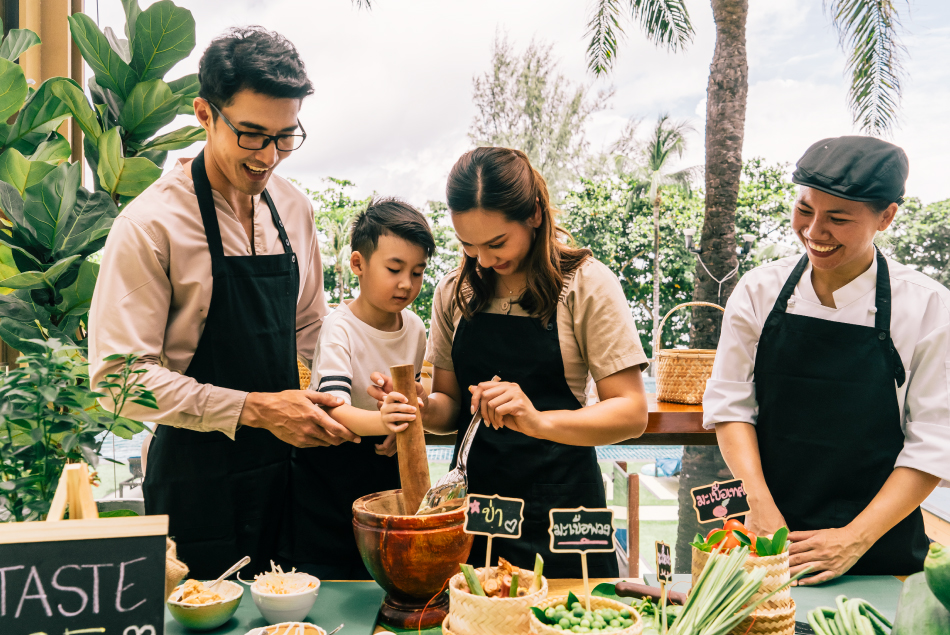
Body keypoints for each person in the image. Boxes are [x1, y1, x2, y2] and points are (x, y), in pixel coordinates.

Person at [88, 27, 359, 579]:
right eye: (253, 135)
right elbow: (118, 379)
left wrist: (354, 382)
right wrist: (256, 409)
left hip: (290, 479)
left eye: (286, 137)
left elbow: (312, 326)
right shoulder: (149, 225)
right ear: (205, 115)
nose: (269, 157)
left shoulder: (294, 208)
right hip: (198, 485)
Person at [373, 147, 649, 578]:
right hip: (478, 507)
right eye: (468, 244)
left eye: (496, 243)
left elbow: (631, 413)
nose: (482, 260)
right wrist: (419, 406)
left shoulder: (585, 285)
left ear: (534, 215)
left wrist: (537, 421)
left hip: (565, 512)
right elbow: (448, 405)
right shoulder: (455, 291)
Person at [705, 136, 950, 583]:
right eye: (804, 210)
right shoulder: (759, 291)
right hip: (769, 543)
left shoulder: (929, 307)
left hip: (881, 550)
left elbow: (933, 442)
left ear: (887, 217)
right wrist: (760, 507)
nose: (814, 232)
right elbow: (731, 405)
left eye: (838, 218)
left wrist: (854, 539)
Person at [281, 198, 435, 579]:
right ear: (358, 264)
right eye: (394, 269)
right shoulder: (340, 327)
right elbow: (335, 409)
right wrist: (385, 422)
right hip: (332, 471)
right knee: (333, 574)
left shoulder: (415, 327)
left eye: (417, 272)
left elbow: (413, 394)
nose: (406, 283)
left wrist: (400, 427)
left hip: (386, 467)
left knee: (388, 570)